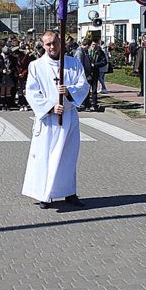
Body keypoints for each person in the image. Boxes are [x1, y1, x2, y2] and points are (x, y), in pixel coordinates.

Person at [22, 30, 89, 209]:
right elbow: (32, 92)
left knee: (68, 156)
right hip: (48, 120)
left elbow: (83, 85)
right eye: (48, 44)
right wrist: (51, 108)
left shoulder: (73, 63)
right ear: (43, 45)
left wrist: (68, 91)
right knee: (45, 157)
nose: (52, 47)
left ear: (60, 43)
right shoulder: (36, 66)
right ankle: (45, 195)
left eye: (55, 43)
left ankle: (69, 192)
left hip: (68, 116)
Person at [87, 40, 108, 111]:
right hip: (88, 72)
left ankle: (94, 104)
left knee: (94, 90)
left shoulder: (100, 52)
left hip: (95, 72)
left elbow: (104, 62)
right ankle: (86, 104)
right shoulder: (87, 52)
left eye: (95, 45)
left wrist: (95, 65)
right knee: (86, 89)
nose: (94, 46)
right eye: (93, 45)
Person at [0, 46, 17, 110]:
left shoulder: (11, 58)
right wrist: (2, 70)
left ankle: (8, 105)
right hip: (2, 76)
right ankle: (3, 105)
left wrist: (11, 70)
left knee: (8, 91)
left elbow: (14, 67)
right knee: (3, 91)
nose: (6, 55)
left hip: (9, 76)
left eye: (7, 54)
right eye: (5, 54)